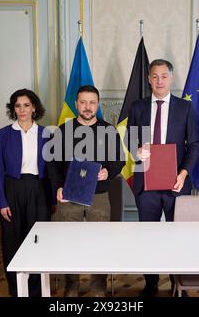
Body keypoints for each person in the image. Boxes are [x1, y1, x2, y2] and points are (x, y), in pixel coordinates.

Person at [126, 59, 199, 297]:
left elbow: (195, 145)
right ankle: (151, 282)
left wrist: (184, 172)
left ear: (171, 78)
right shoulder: (137, 107)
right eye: (155, 76)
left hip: (176, 184)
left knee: (177, 237)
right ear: (149, 79)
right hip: (146, 184)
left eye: (164, 76)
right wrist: (136, 151)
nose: (159, 81)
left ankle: (179, 283)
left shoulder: (185, 108)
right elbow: (129, 139)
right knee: (148, 235)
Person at [46, 85, 124, 297]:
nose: (87, 107)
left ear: (97, 105)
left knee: (99, 242)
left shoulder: (108, 130)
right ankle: (72, 284)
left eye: (92, 102)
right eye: (83, 102)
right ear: (76, 104)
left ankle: (98, 286)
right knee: (68, 242)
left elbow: (120, 160)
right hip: (69, 195)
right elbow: (52, 163)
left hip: (98, 196)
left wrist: (108, 171)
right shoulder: (63, 130)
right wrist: (58, 186)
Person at [0, 89, 52, 297]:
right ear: (13, 109)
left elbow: (54, 169)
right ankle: (16, 289)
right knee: (12, 240)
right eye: (18, 106)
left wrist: (52, 198)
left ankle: (36, 289)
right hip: (12, 188)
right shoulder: (3, 135)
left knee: (38, 239)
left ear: (34, 107)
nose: (22, 110)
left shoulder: (47, 134)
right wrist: (2, 201)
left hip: (39, 189)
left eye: (26, 105)